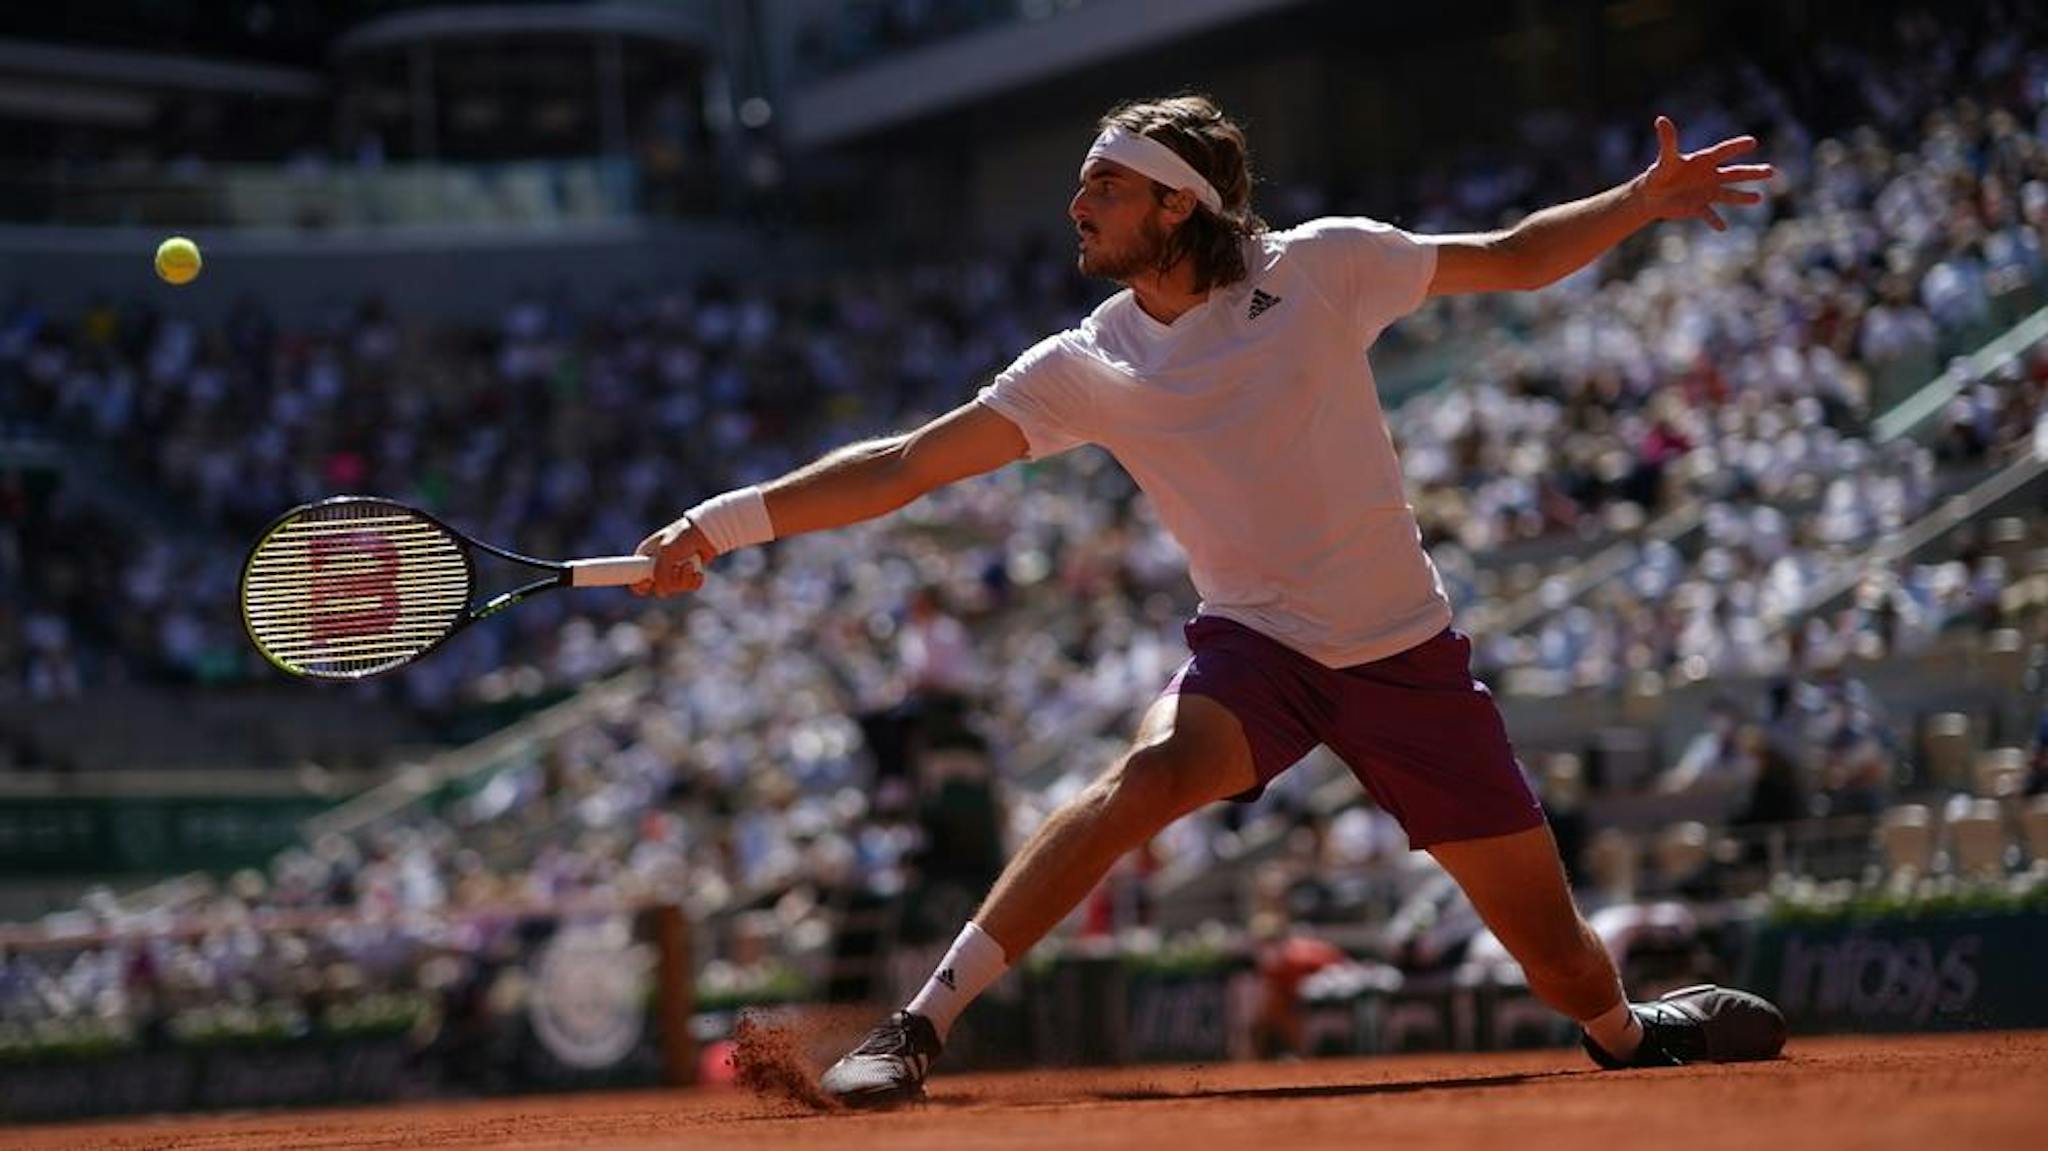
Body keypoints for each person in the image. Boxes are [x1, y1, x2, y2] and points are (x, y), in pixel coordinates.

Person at [633, 94, 1787, 1108]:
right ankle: (918, 1024)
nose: (1075, 203)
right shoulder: (1086, 362)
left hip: (1405, 658)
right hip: (1258, 649)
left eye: (1103, 183)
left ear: (1176, 206)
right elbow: (900, 469)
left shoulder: (1325, 264)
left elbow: (1511, 254)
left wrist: (1639, 198)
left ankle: (1631, 1031)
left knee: (1565, 970)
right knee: (1146, 776)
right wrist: (720, 522)